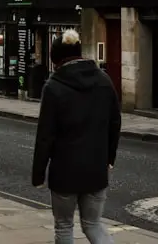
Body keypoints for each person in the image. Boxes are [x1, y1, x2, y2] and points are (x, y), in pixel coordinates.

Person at [32, 29, 121, 244]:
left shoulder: (53, 87)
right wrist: (109, 158)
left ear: (56, 59)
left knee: (64, 226)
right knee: (93, 224)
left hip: (64, 172)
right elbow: (115, 122)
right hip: (96, 168)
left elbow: (45, 135)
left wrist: (38, 174)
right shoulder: (104, 80)